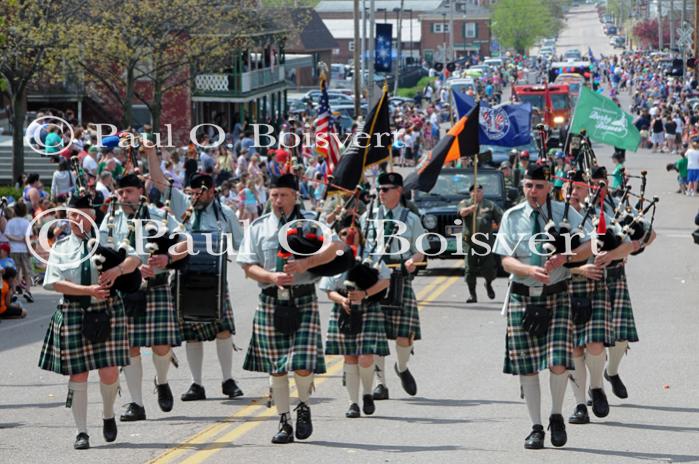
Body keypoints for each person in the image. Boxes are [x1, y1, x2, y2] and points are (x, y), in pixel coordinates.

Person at [237, 173, 345, 444]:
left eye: (284, 195)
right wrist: (271, 277)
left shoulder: (312, 223)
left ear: (295, 196)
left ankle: (304, 406)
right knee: (276, 367)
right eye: (274, 195)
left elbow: (335, 248)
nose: (278, 200)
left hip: (303, 297)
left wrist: (305, 264)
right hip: (271, 299)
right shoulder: (259, 227)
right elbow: (247, 265)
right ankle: (284, 421)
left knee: (303, 365)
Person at [493, 164, 592, 450]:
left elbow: (590, 244)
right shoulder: (511, 217)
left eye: (538, 186)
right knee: (528, 367)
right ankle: (536, 426)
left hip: (557, 294)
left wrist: (565, 257)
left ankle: (556, 415)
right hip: (523, 295)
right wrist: (527, 269)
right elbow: (505, 260)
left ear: (549, 187)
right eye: (528, 185)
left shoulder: (563, 213)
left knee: (559, 362)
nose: (532, 191)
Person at [38, 194, 141, 450]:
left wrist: (117, 270)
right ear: (68, 217)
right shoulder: (61, 247)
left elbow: (136, 259)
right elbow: (53, 282)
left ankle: (108, 414)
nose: (78, 220)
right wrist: (88, 291)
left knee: (108, 372)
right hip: (74, 310)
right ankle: (81, 432)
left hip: (107, 309)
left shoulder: (108, 240)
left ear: (92, 217)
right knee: (79, 373)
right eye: (74, 215)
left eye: (83, 215)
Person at [146, 146, 245, 401]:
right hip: (185, 277)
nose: (195, 197)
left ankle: (227, 380)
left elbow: (241, 247)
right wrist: (150, 152)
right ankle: (196, 384)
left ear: (212, 191)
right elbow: (158, 181)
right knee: (191, 332)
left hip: (216, 280)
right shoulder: (182, 204)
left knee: (223, 330)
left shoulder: (226, 214)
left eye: (200, 193)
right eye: (191, 192)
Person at [99, 174, 187, 422]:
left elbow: (186, 243)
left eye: (129, 191)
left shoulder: (159, 216)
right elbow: (102, 252)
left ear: (141, 192)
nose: (124, 196)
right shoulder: (111, 220)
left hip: (156, 287)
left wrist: (167, 258)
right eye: (120, 192)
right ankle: (136, 403)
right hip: (125, 291)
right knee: (129, 348)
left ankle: (162, 380)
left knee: (161, 346)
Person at [589, 166, 656, 403]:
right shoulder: (576, 207)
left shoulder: (619, 205)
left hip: (615, 276)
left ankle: (612, 372)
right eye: (593, 183)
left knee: (621, 336)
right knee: (590, 339)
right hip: (587, 277)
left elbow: (650, 234)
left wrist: (627, 248)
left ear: (607, 184)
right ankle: (594, 387)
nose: (597, 188)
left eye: (601, 183)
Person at [360, 172, 426, 401]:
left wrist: (412, 260)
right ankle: (381, 384)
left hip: (400, 276)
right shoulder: (370, 217)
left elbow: (422, 248)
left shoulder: (410, 218)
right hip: (375, 277)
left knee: (403, 336)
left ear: (399, 191)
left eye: (386, 189)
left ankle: (402, 366)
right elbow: (362, 246)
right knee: (376, 336)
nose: (381, 193)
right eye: (379, 189)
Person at [321, 217, 390, 418]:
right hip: (345, 309)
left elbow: (385, 280)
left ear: (360, 233)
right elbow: (328, 289)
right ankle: (353, 403)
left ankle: (367, 394)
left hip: (368, 307)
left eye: (352, 231)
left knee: (366, 357)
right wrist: (341, 300)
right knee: (350, 357)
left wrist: (365, 294)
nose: (349, 235)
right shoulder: (332, 256)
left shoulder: (371, 254)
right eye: (343, 233)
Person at [458, 184, 503, 303]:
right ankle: (473, 295)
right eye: (474, 191)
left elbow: (501, 219)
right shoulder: (465, 203)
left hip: (485, 242)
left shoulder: (490, 205)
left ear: (483, 193)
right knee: (469, 269)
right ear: (470, 193)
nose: (477, 193)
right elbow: (461, 213)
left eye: (479, 191)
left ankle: (488, 283)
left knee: (489, 268)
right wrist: (470, 209)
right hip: (470, 242)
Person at [5, 202, 34, 303]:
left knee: (14, 271)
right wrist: (29, 249)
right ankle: (28, 291)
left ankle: (13, 291)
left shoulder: (10, 222)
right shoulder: (26, 222)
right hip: (24, 249)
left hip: (13, 249)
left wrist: (16, 239)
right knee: (27, 271)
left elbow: (7, 235)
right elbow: (27, 238)